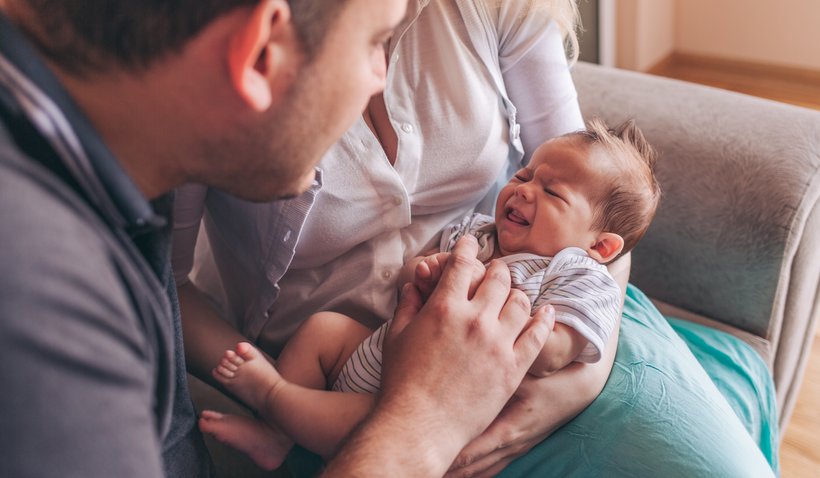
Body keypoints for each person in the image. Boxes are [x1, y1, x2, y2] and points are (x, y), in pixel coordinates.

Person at [0, 1, 552, 477]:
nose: (382, 79)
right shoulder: (38, 299)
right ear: (260, 52)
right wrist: (426, 420)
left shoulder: (104, 171)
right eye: (375, 44)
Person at [197, 118, 661, 467]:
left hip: (431, 394)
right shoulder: (478, 234)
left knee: (368, 424)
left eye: (552, 192)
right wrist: (425, 271)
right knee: (323, 329)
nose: (522, 191)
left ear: (599, 246)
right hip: (383, 350)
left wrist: (518, 324)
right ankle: (274, 438)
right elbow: (409, 281)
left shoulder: (575, 272)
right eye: (522, 176)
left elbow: (560, 349)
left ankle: (276, 397)